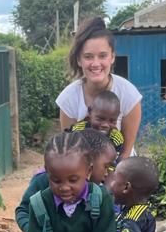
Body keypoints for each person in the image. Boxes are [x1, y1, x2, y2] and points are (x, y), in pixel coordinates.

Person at [56, 16, 142, 156]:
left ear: (112, 57)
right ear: (79, 59)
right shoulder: (68, 99)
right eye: (88, 57)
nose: (95, 64)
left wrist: (110, 175)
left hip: (120, 168)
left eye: (102, 56)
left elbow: (125, 154)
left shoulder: (129, 95)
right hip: (82, 170)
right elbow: (69, 151)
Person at [15, 128, 117, 232]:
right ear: (89, 161)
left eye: (73, 180)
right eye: (105, 166)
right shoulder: (43, 181)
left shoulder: (99, 194)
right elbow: (23, 211)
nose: (106, 174)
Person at [68, 89, 126, 163]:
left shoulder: (116, 139)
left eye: (112, 121)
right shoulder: (78, 130)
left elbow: (113, 163)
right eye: (100, 119)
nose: (105, 125)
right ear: (90, 112)